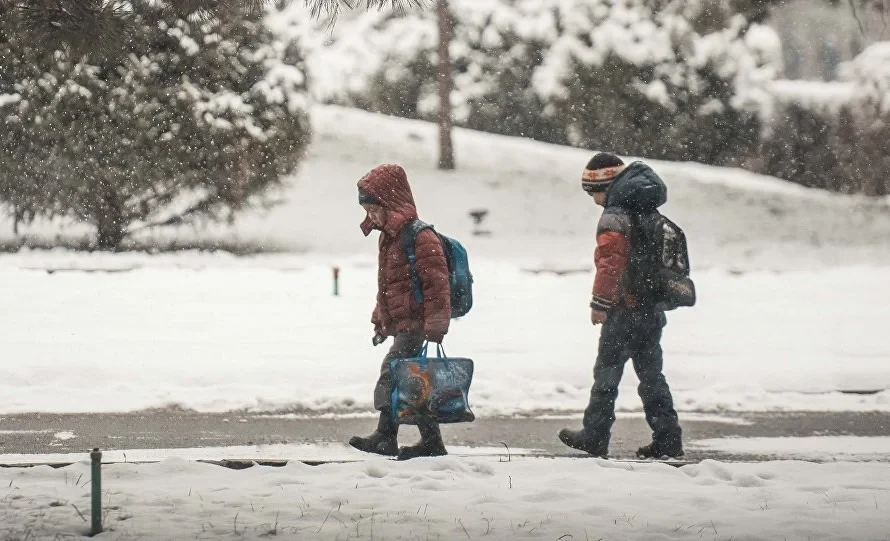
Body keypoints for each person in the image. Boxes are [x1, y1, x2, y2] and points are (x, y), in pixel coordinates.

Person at [558, 152, 684, 459]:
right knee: (652, 377)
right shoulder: (646, 209)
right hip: (650, 308)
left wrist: (599, 303)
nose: (593, 200)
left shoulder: (615, 216)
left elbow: (611, 264)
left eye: (593, 192)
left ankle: (594, 435)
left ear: (606, 186)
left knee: (606, 375)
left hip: (624, 310)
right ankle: (668, 438)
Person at [348, 164, 452, 460]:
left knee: (394, 373)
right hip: (404, 323)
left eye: (374, 210)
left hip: (418, 324)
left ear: (392, 204)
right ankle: (429, 442)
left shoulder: (421, 237)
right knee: (412, 381)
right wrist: (381, 320)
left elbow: (437, 285)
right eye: (367, 211)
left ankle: (386, 436)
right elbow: (388, 286)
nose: (371, 217)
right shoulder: (390, 237)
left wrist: (436, 324)